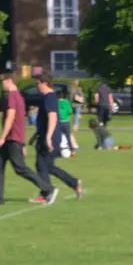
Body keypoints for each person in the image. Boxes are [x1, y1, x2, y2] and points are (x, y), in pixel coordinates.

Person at [0, 69, 49, 207]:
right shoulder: (18, 96)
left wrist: (2, 137)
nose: (1, 85)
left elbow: (11, 117)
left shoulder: (13, 95)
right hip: (11, 139)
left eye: (2, 82)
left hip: (12, 139)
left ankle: (48, 188)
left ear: (9, 81)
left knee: (20, 168)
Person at [31, 72, 80, 202]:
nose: (36, 86)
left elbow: (52, 117)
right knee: (48, 166)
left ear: (44, 83)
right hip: (47, 135)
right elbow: (44, 121)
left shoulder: (50, 97)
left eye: (37, 83)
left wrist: (48, 137)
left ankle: (47, 192)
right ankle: (73, 183)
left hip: (50, 137)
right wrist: (35, 135)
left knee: (41, 165)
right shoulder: (48, 97)